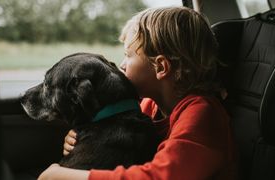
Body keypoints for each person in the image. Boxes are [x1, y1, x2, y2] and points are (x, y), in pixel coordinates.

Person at [38, 6, 236, 180]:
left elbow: (161, 177)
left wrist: (67, 176)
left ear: (160, 67)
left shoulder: (201, 113)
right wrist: (81, 139)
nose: (121, 65)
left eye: (128, 55)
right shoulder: (149, 105)